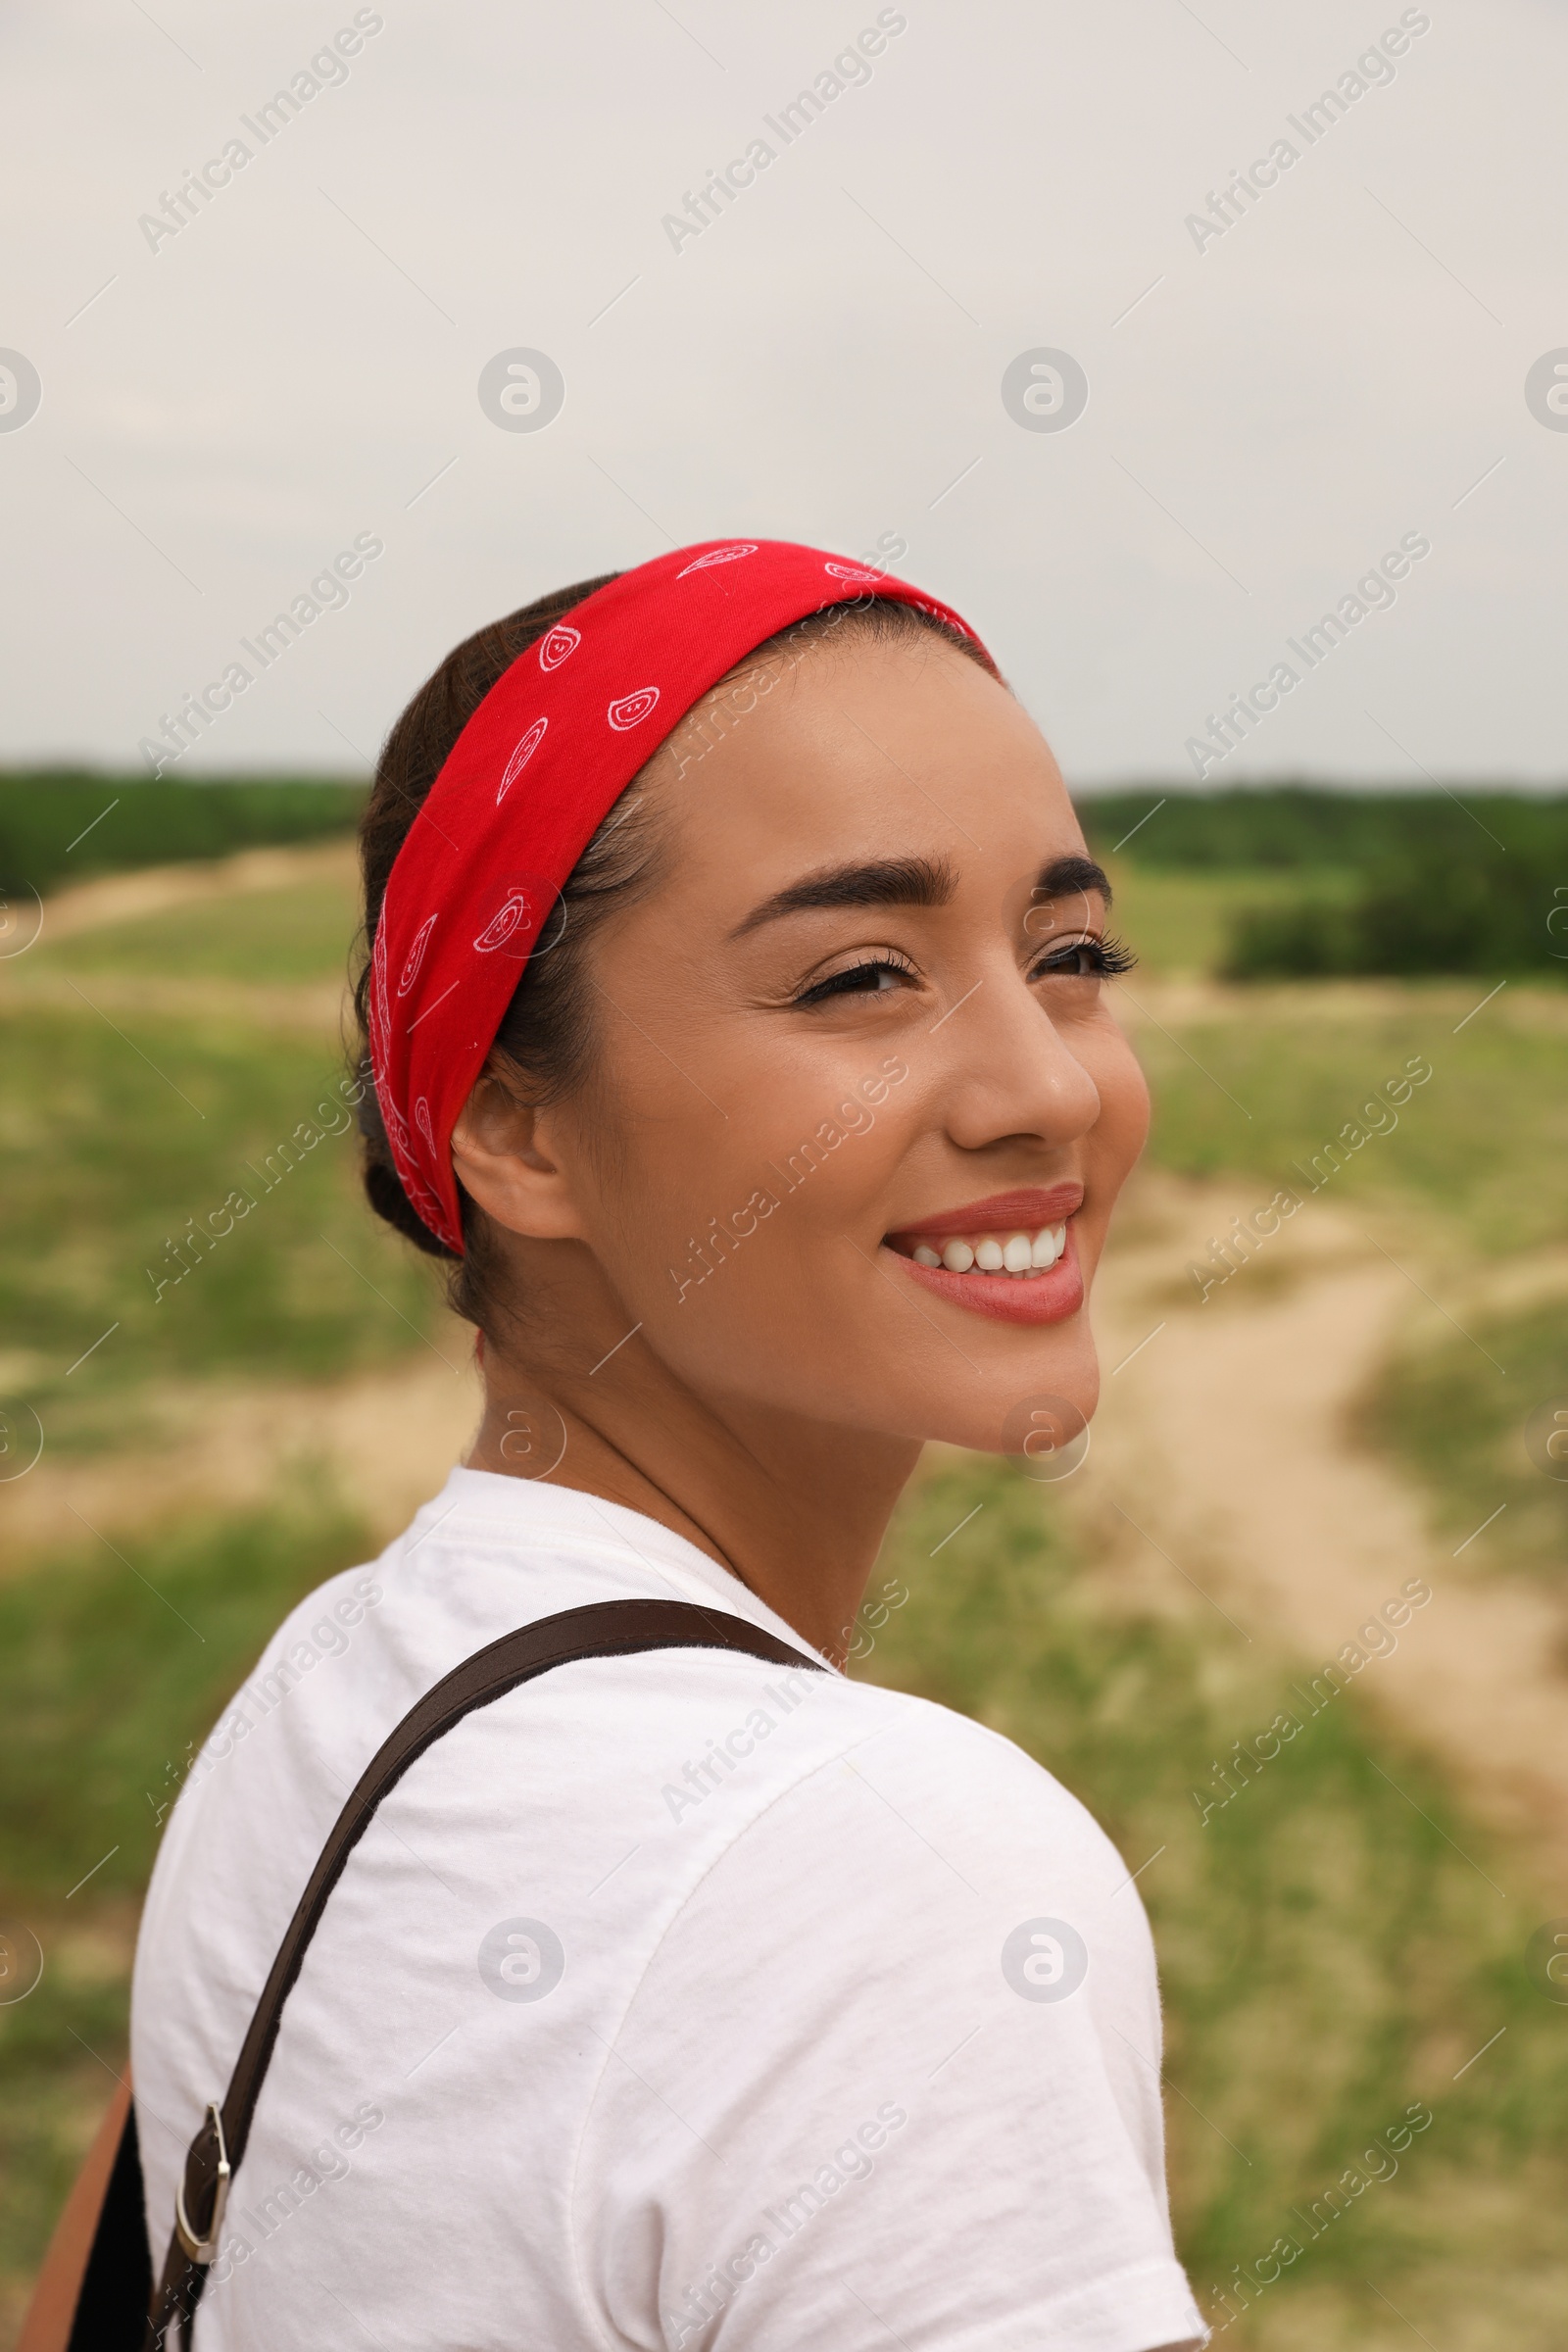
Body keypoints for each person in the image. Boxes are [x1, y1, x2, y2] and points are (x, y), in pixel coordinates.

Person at [130, 540, 1206, 2350]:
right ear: (517, 1132)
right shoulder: (889, 1880)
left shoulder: (327, 1692)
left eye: (1070, 952)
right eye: (862, 976)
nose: (1047, 1088)